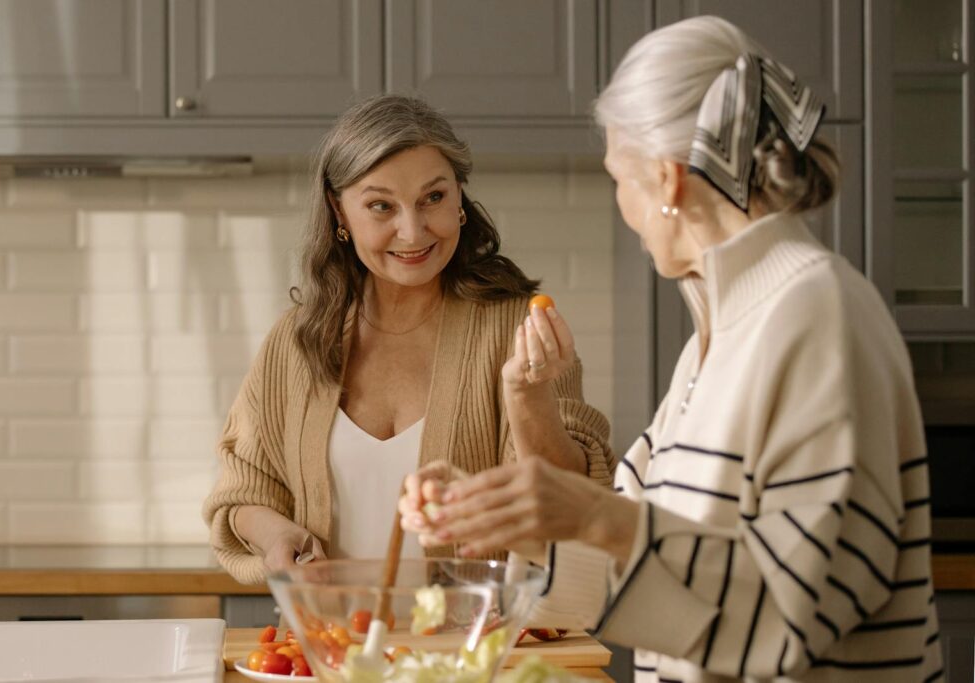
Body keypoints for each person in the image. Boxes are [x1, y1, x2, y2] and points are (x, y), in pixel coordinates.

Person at [401, 17, 943, 682]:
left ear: (666, 182)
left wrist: (595, 514)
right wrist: (503, 512)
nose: (622, 205)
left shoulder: (817, 311)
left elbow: (799, 612)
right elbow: (626, 558)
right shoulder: (715, 340)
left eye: (619, 178)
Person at [202, 94, 616, 584]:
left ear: (459, 197)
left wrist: (529, 396)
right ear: (340, 212)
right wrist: (275, 537)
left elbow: (569, 500)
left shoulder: (518, 329)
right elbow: (244, 493)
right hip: (331, 650)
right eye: (381, 206)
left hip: (473, 652)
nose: (413, 230)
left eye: (433, 198)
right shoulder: (296, 341)